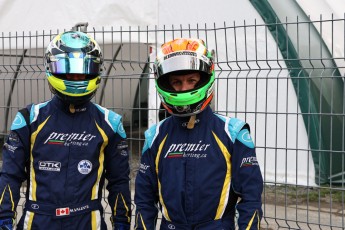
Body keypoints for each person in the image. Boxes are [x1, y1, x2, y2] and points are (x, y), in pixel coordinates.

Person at [0, 31, 131, 230]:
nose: (75, 78)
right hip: (38, 220)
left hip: (88, 221)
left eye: (82, 71)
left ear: (95, 70)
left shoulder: (111, 123)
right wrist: (4, 219)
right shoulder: (28, 119)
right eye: (68, 71)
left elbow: (119, 181)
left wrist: (122, 223)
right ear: (51, 68)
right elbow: (10, 175)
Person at [134, 38, 263, 229]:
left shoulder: (233, 132)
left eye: (191, 80)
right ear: (166, 84)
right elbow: (144, 200)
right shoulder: (155, 135)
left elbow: (251, 198)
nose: (184, 88)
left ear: (204, 79)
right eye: (176, 82)